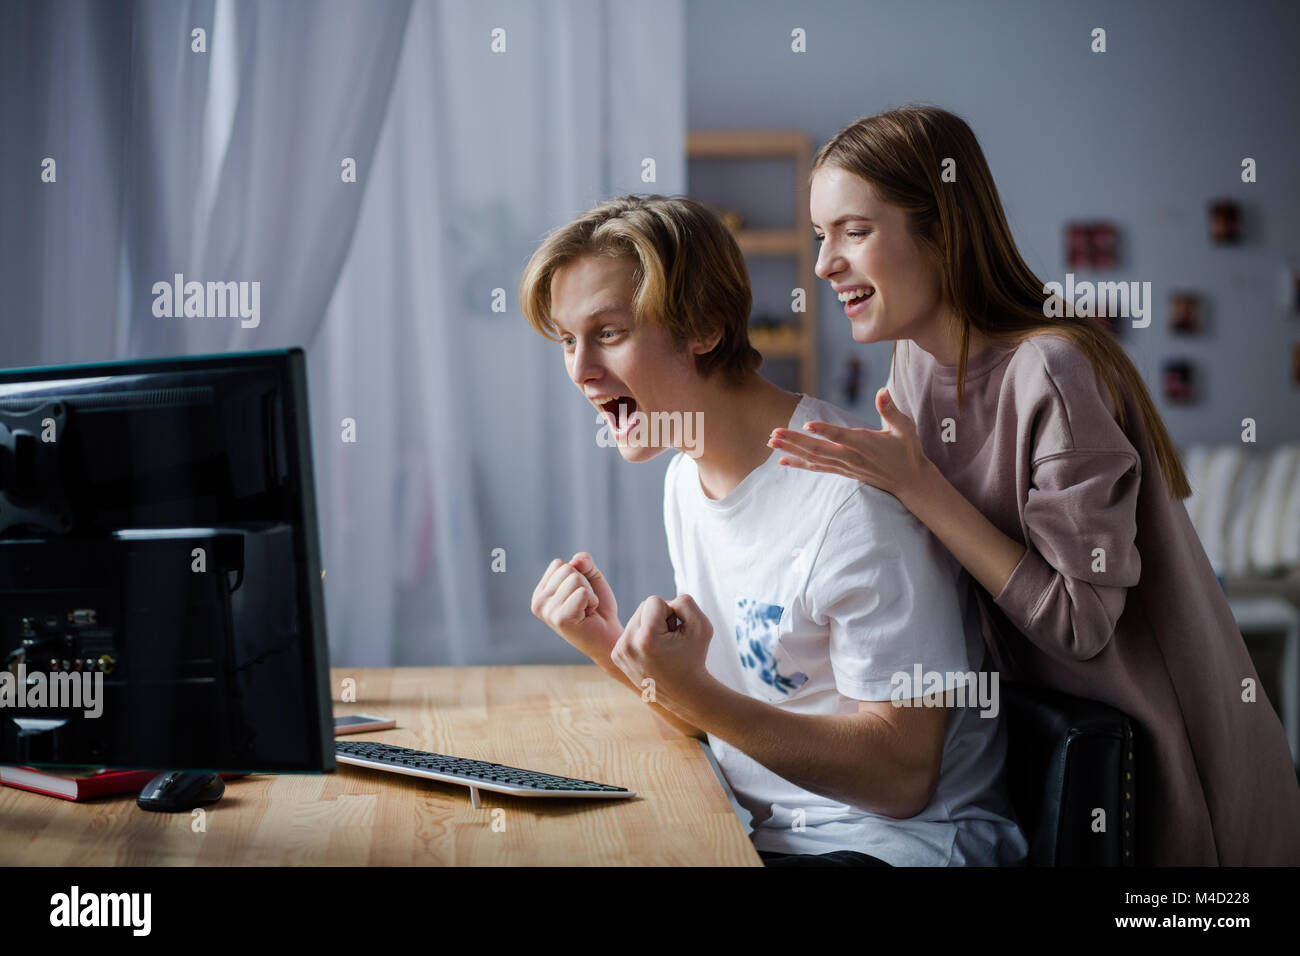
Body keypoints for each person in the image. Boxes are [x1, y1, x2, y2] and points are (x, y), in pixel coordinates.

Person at [774, 104, 1300, 865]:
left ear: (944, 230)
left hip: (1164, 775)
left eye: (854, 231)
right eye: (822, 236)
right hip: (1047, 756)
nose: (824, 264)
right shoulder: (914, 368)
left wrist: (920, 488)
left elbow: (1078, 622)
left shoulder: (1052, 368)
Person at [519, 195, 1028, 866]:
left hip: (895, 848)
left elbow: (903, 778)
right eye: (566, 339)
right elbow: (726, 719)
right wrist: (608, 645)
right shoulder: (686, 478)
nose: (581, 371)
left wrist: (691, 688)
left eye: (608, 332)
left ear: (703, 326)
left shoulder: (852, 501)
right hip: (759, 834)